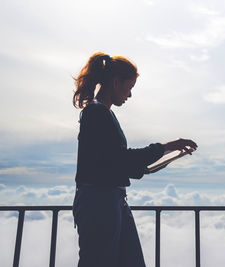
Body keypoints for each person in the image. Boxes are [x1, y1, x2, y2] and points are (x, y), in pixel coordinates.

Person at [72, 52, 197, 267]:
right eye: (129, 87)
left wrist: (166, 151)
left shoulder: (102, 114)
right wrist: (166, 148)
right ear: (115, 82)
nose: (129, 95)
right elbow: (121, 161)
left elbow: (117, 163)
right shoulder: (96, 113)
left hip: (111, 201)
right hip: (100, 203)